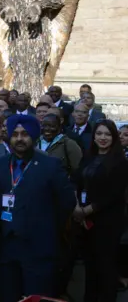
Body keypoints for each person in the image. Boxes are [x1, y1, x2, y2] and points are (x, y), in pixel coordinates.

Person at [0, 114, 76, 302]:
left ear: (34, 136)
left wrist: (46, 224)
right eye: (15, 134)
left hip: (39, 248)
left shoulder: (51, 165)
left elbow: (67, 201)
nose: (19, 139)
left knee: (36, 298)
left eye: (25, 134)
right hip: (7, 247)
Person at [72, 119, 128, 302]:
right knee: (90, 268)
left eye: (107, 134)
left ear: (113, 137)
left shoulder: (120, 162)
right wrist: (76, 206)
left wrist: (87, 210)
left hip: (107, 223)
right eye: (99, 133)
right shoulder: (88, 157)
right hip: (85, 223)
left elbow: (114, 194)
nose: (103, 138)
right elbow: (76, 182)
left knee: (106, 269)